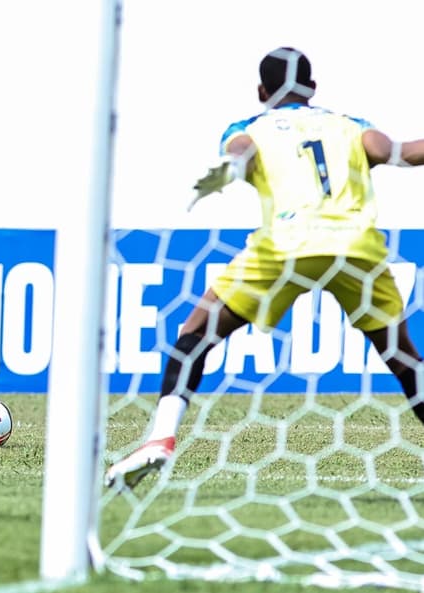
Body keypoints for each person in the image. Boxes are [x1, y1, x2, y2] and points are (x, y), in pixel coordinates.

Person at [107, 47, 424, 489]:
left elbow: (241, 153)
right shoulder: (350, 126)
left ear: (261, 91)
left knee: (195, 333)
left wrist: (229, 168)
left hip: (286, 245)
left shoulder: (250, 128)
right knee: (404, 360)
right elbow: (400, 153)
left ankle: (161, 438)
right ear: (312, 88)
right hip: (356, 247)